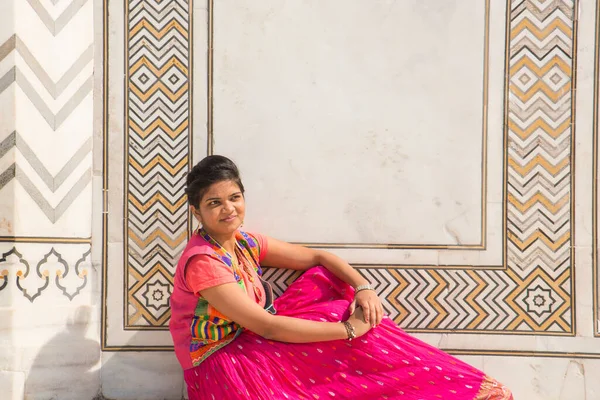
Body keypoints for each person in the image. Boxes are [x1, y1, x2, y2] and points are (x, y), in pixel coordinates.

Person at [169, 155, 513, 400]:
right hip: (221, 362)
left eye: (235, 198)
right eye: (214, 203)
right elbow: (268, 327)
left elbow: (318, 257)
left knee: (326, 281)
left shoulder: (243, 241)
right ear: (196, 211)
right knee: (337, 323)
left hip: (253, 337)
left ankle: (450, 387)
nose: (228, 209)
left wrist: (363, 289)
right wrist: (349, 330)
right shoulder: (204, 262)